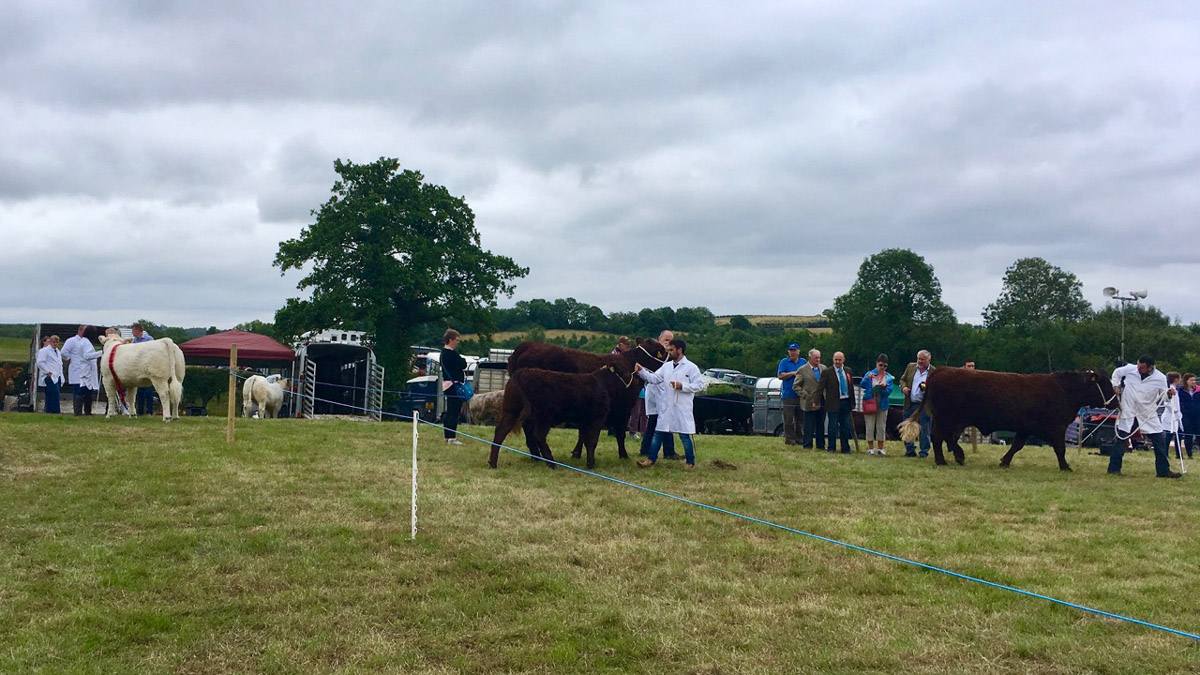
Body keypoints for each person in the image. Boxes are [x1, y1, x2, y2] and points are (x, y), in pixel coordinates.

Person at [635, 339, 704, 469]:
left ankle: (690, 461)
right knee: (658, 433)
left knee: (684, 435)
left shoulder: (691, 367)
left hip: (681, 406)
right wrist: (642, 372)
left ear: (680, 350)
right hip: (666, 406)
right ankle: (650, 459)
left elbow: (699, 386)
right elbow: (655, 379)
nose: (669, 353)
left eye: (671, 350)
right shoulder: (666, 366)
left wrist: (682, 386)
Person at [1108, 355, 1181, 478]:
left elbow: (1162, 397)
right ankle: (1113, 469)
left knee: (1159, 442)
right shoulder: (1130, 369)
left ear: (1150, 367)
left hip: (1147, 412)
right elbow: (1116, 373)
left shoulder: (1160, 378)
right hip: (1128, 410)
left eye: (1142, 367)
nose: (1138, 369)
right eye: (1138, 365)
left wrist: (1168, 394)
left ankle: (1163, 471)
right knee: (1121, 440)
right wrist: (1115, 385)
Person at [640, 330, 679, 460]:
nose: (668, 343)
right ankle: (668, 451)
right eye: (666, 340)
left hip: (663, 391)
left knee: (656, 422)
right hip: (654, 390)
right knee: (658, 422)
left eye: (670, 341)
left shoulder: (669, 357)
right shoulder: (653, 354)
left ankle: (648, 449)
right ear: (659, 339)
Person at [60, 325, 103, 416]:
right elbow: (87, 356)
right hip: (81, 370)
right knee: (80, 390)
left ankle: (87, 411)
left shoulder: (84, 342)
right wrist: (101, 353)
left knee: (87, 391)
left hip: (85, 370)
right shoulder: (79, 342)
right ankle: (78, 411)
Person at [900, 350, 935, 457]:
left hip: (924, 405)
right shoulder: (911, 367)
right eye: (918, 359)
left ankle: (924, 452)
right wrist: (904, 387)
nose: (919, 361)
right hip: (910, 403)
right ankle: (909, 450)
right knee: (908, 427)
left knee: (925, 429)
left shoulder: (933, 372)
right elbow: (903, 379)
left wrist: (927, 389)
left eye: (922, 359)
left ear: (929, 360)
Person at [859, 354, 894, 455]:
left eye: (884, 366)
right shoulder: (870, 374)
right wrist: (868, 379)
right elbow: (862, 385)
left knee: (881, 426)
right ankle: (870, 447)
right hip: (870, 402)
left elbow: (889, 391)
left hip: (882, 403)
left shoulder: (888, 377)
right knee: (869, 425)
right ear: (876, 364)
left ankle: (880, 448)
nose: (882, 367)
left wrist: (883, 389)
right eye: (880, 365)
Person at [820, 351, 855, 453]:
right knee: (832, 426)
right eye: (836, 360)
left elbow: (851, 387)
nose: (838, 362)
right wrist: (816, 400)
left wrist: (852, 403)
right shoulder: (827, 372)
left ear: (843, 360)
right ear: (833, 360)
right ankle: (831, 447)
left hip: (846, 402)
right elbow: (820, 387)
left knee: (845, 426)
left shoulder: (848, 371)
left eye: (839, 360)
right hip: (833, 403)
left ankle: (845, 448)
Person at [440, 329, 468, 445]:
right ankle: (452, 437)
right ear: (450, 340)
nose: (458, 342)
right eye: (456, 340)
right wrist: (462, 360)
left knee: (450, 411)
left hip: (447, 385)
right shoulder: (451, 354)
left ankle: (447, 436)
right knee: (454, 412)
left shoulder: (443, 354)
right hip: (454, 385)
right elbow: (463, 364)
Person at [796, 349, 827, 449]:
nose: (818, 360)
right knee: (809, 425)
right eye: (815, 358)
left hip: (822, 400)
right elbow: (796, 386)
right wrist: (805, 395)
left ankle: (820, 445)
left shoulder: (824, 368)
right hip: (809, 402)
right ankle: (807, 445)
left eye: (819, 358)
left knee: (821, 424)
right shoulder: (802, 370)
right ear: (810, 358)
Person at [776, 343, 803, 446]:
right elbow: (780, 375)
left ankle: (800, 439)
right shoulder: (784, 362)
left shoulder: (803, 362)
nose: (793, 352)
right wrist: (792, 373)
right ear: (789, 352)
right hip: (788, 395)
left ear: (798, 351)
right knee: (788, 419)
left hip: (800, 394)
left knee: (800, 419)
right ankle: (789, 440)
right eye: (791, 351)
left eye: (794, 350)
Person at [131, 323, 156, 416]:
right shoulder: (134, 341)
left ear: (138, 330)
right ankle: (140, 411)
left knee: (148, 391)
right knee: (140, 391)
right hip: (138, 368)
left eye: (133, 330)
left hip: (148, 367)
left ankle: (149, 411)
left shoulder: (149, 339)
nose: (132, 333)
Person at [36, 335, 63, 414]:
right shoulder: (44, 351)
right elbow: (40, 362)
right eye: (53, 342)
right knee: (53, 394)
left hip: (57, 376)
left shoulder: (58, 352)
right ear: (50, 342)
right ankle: (53, 411)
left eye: (57, 342)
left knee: (55, 394)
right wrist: (47, 372)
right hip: (49, 376)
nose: (55, 344)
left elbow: (59, 364)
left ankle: (52, 411)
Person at [1178, 373, 1200, 459]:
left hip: (1198, 415)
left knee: (1199, 434)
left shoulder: (1198, 390)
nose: (1193, 382)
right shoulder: (1180, 391)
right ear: (1186, 381)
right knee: (1188, 435)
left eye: (1194, 380)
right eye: (1191, 380)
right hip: (1186, 415)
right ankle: (1189, 454)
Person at [1161, 372, 1183, 453]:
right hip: (1169, 416)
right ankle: (1165, 452)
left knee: (1175, 435)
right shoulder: (1170, 389)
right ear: (1176, 379)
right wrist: (1174, 410)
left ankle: (1176, 453)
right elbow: (1166, 403)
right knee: (1168, 436)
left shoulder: (1175, 389)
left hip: (1175, 416)